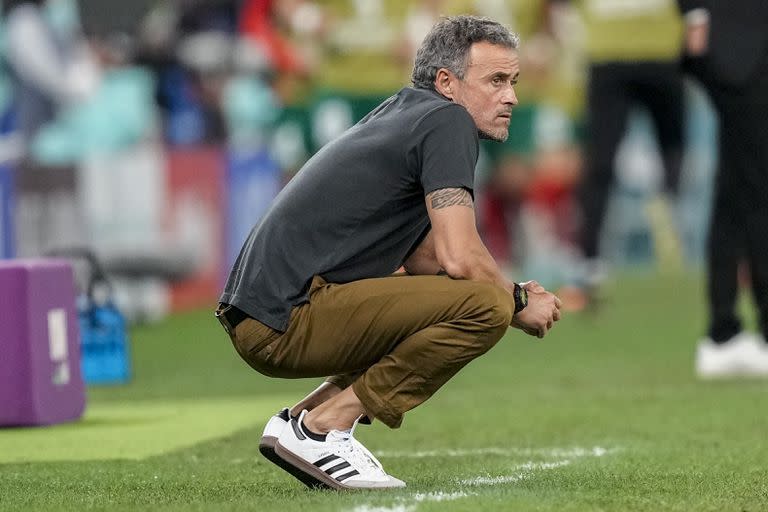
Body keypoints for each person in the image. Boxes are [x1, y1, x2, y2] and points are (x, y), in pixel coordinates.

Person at [216, 15, 562, 490]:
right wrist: (517, 302)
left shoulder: (405, 112)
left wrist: (513, 289)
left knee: (468, 296)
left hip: (262, 312)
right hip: (285, 318)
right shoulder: (447, 121)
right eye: (496, 80)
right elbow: (461, 258)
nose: (512, 97)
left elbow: (430, 259)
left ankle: (302, 420)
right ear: (447, 82)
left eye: (514, 81)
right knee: (487, 306)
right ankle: (325, 428)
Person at [544, 0, 686, 310]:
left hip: (661, 53)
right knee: (601, 164)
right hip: (610, 56)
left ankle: (674, 221)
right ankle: (590, 260)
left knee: (674, 151)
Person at [676, 1, 768, 377]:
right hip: (742, 49)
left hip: (736, 47)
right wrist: (696, 17)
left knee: (736, 190)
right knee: (758, 191)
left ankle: (723, 333)